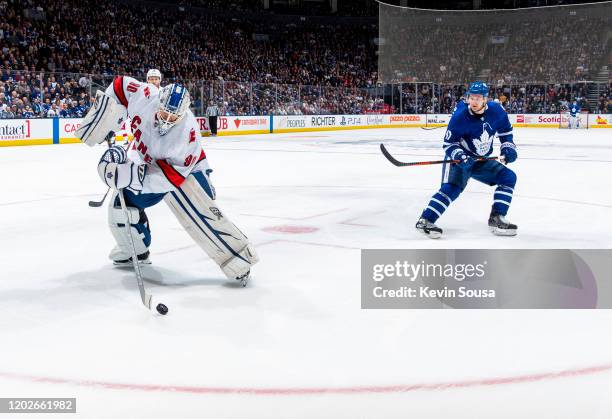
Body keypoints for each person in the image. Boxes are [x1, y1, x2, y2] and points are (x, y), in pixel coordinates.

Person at [76, 76, 258, 282]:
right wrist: (106, 118)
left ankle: (237, 258)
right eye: (164, 113)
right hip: (152, 164)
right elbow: (119, 86)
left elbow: (170, 179)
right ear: (158, 102)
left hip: (186, 172)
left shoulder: (187, 133)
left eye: (173, 118)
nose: (166, 120)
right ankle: (134, 251)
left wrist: (125, 175)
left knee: (196, 206)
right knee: (121, 206)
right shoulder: (144, 95)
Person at [415, 81, 518, 238]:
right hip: (460, 159)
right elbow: (449, 144)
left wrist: (508, 148)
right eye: (471, 97)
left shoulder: (497, 111)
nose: (474, 101)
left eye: (478, 98)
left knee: (508, 177)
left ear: (485, 99)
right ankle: (425, 220)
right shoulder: (460, 116)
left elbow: (505, 132)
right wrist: (460, 157)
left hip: (481, 160)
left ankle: (496, 218)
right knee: (452, 189)